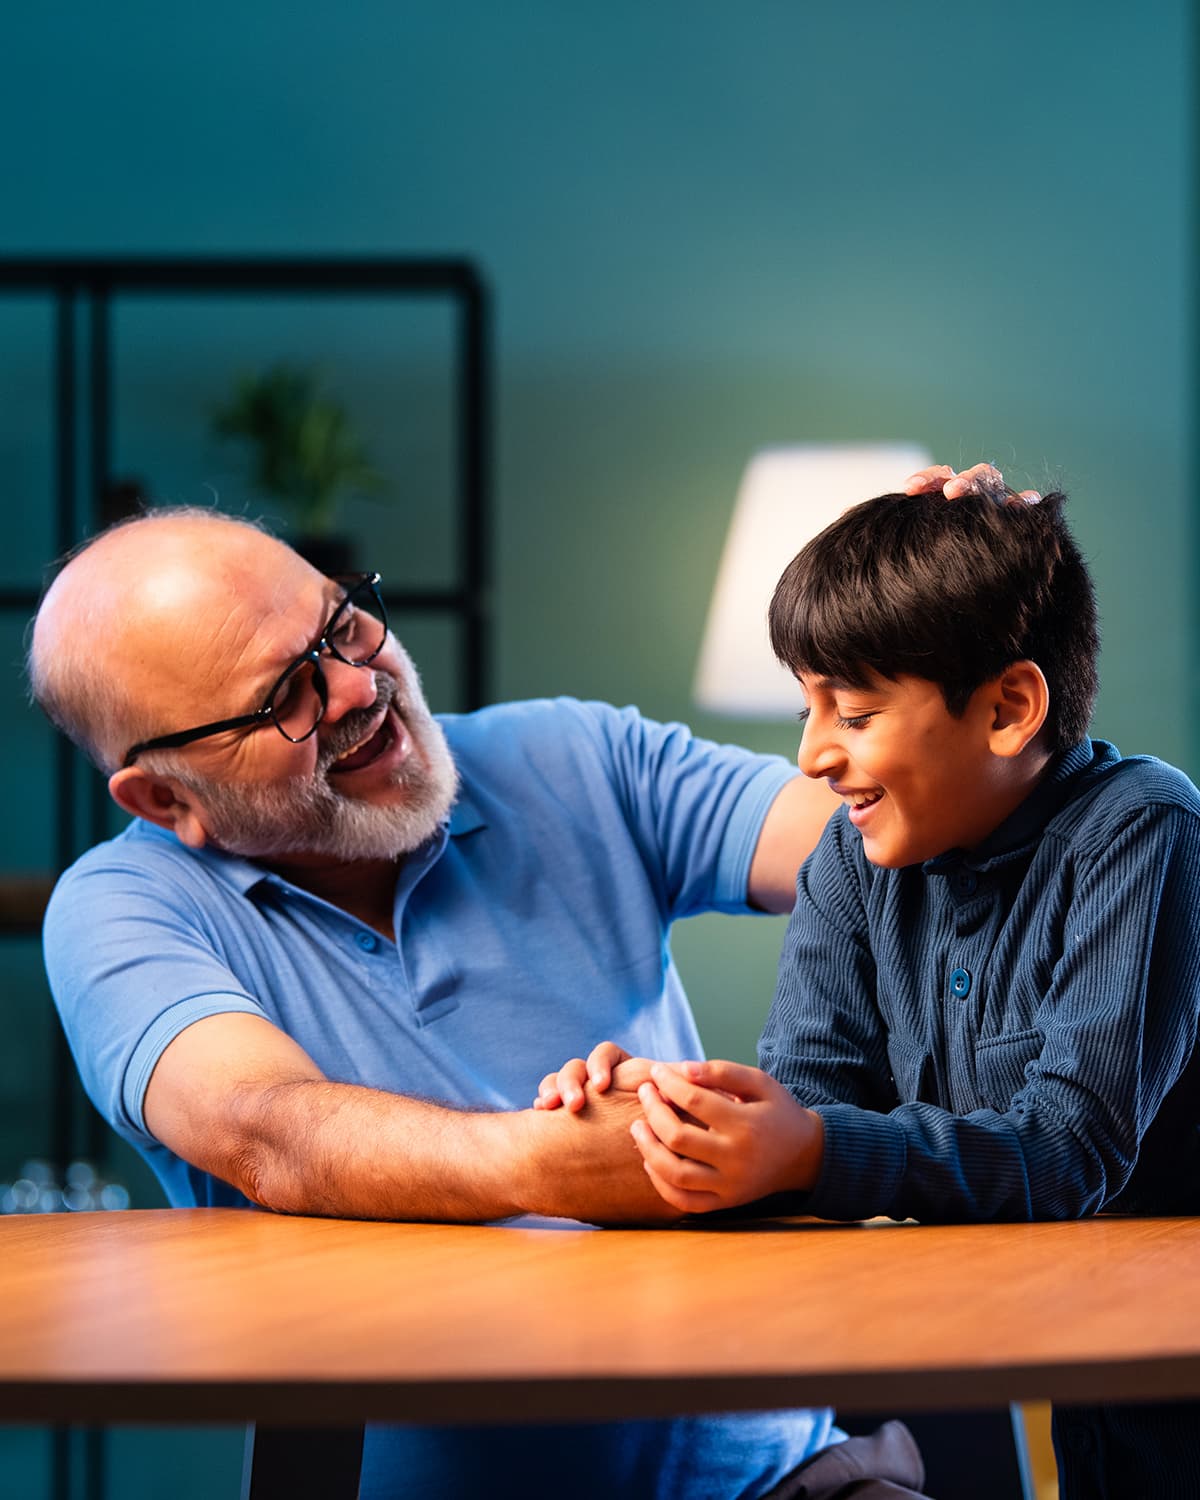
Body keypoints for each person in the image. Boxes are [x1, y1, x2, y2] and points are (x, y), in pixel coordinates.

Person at [33, 469, 968, 1499]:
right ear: (167, 796)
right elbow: (268, 1129)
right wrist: (558, 1163)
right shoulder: (123, 908)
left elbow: (879, 840)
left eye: (341, 627)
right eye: (284, 697)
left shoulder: (569, 756)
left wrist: (948, 626)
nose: (355, 687)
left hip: (790, 1481)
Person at [553, 482, 1200, 1499]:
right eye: (809, 706)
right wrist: (678, 1118)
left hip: (1164, 1367)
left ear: (1008, 708)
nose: (813, 755)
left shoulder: (1138, 830)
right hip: (1031, 1351)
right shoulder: (852, 861)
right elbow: (810, 1101)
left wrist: (806, 1150)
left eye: (852, 712)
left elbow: (1073, 1152)